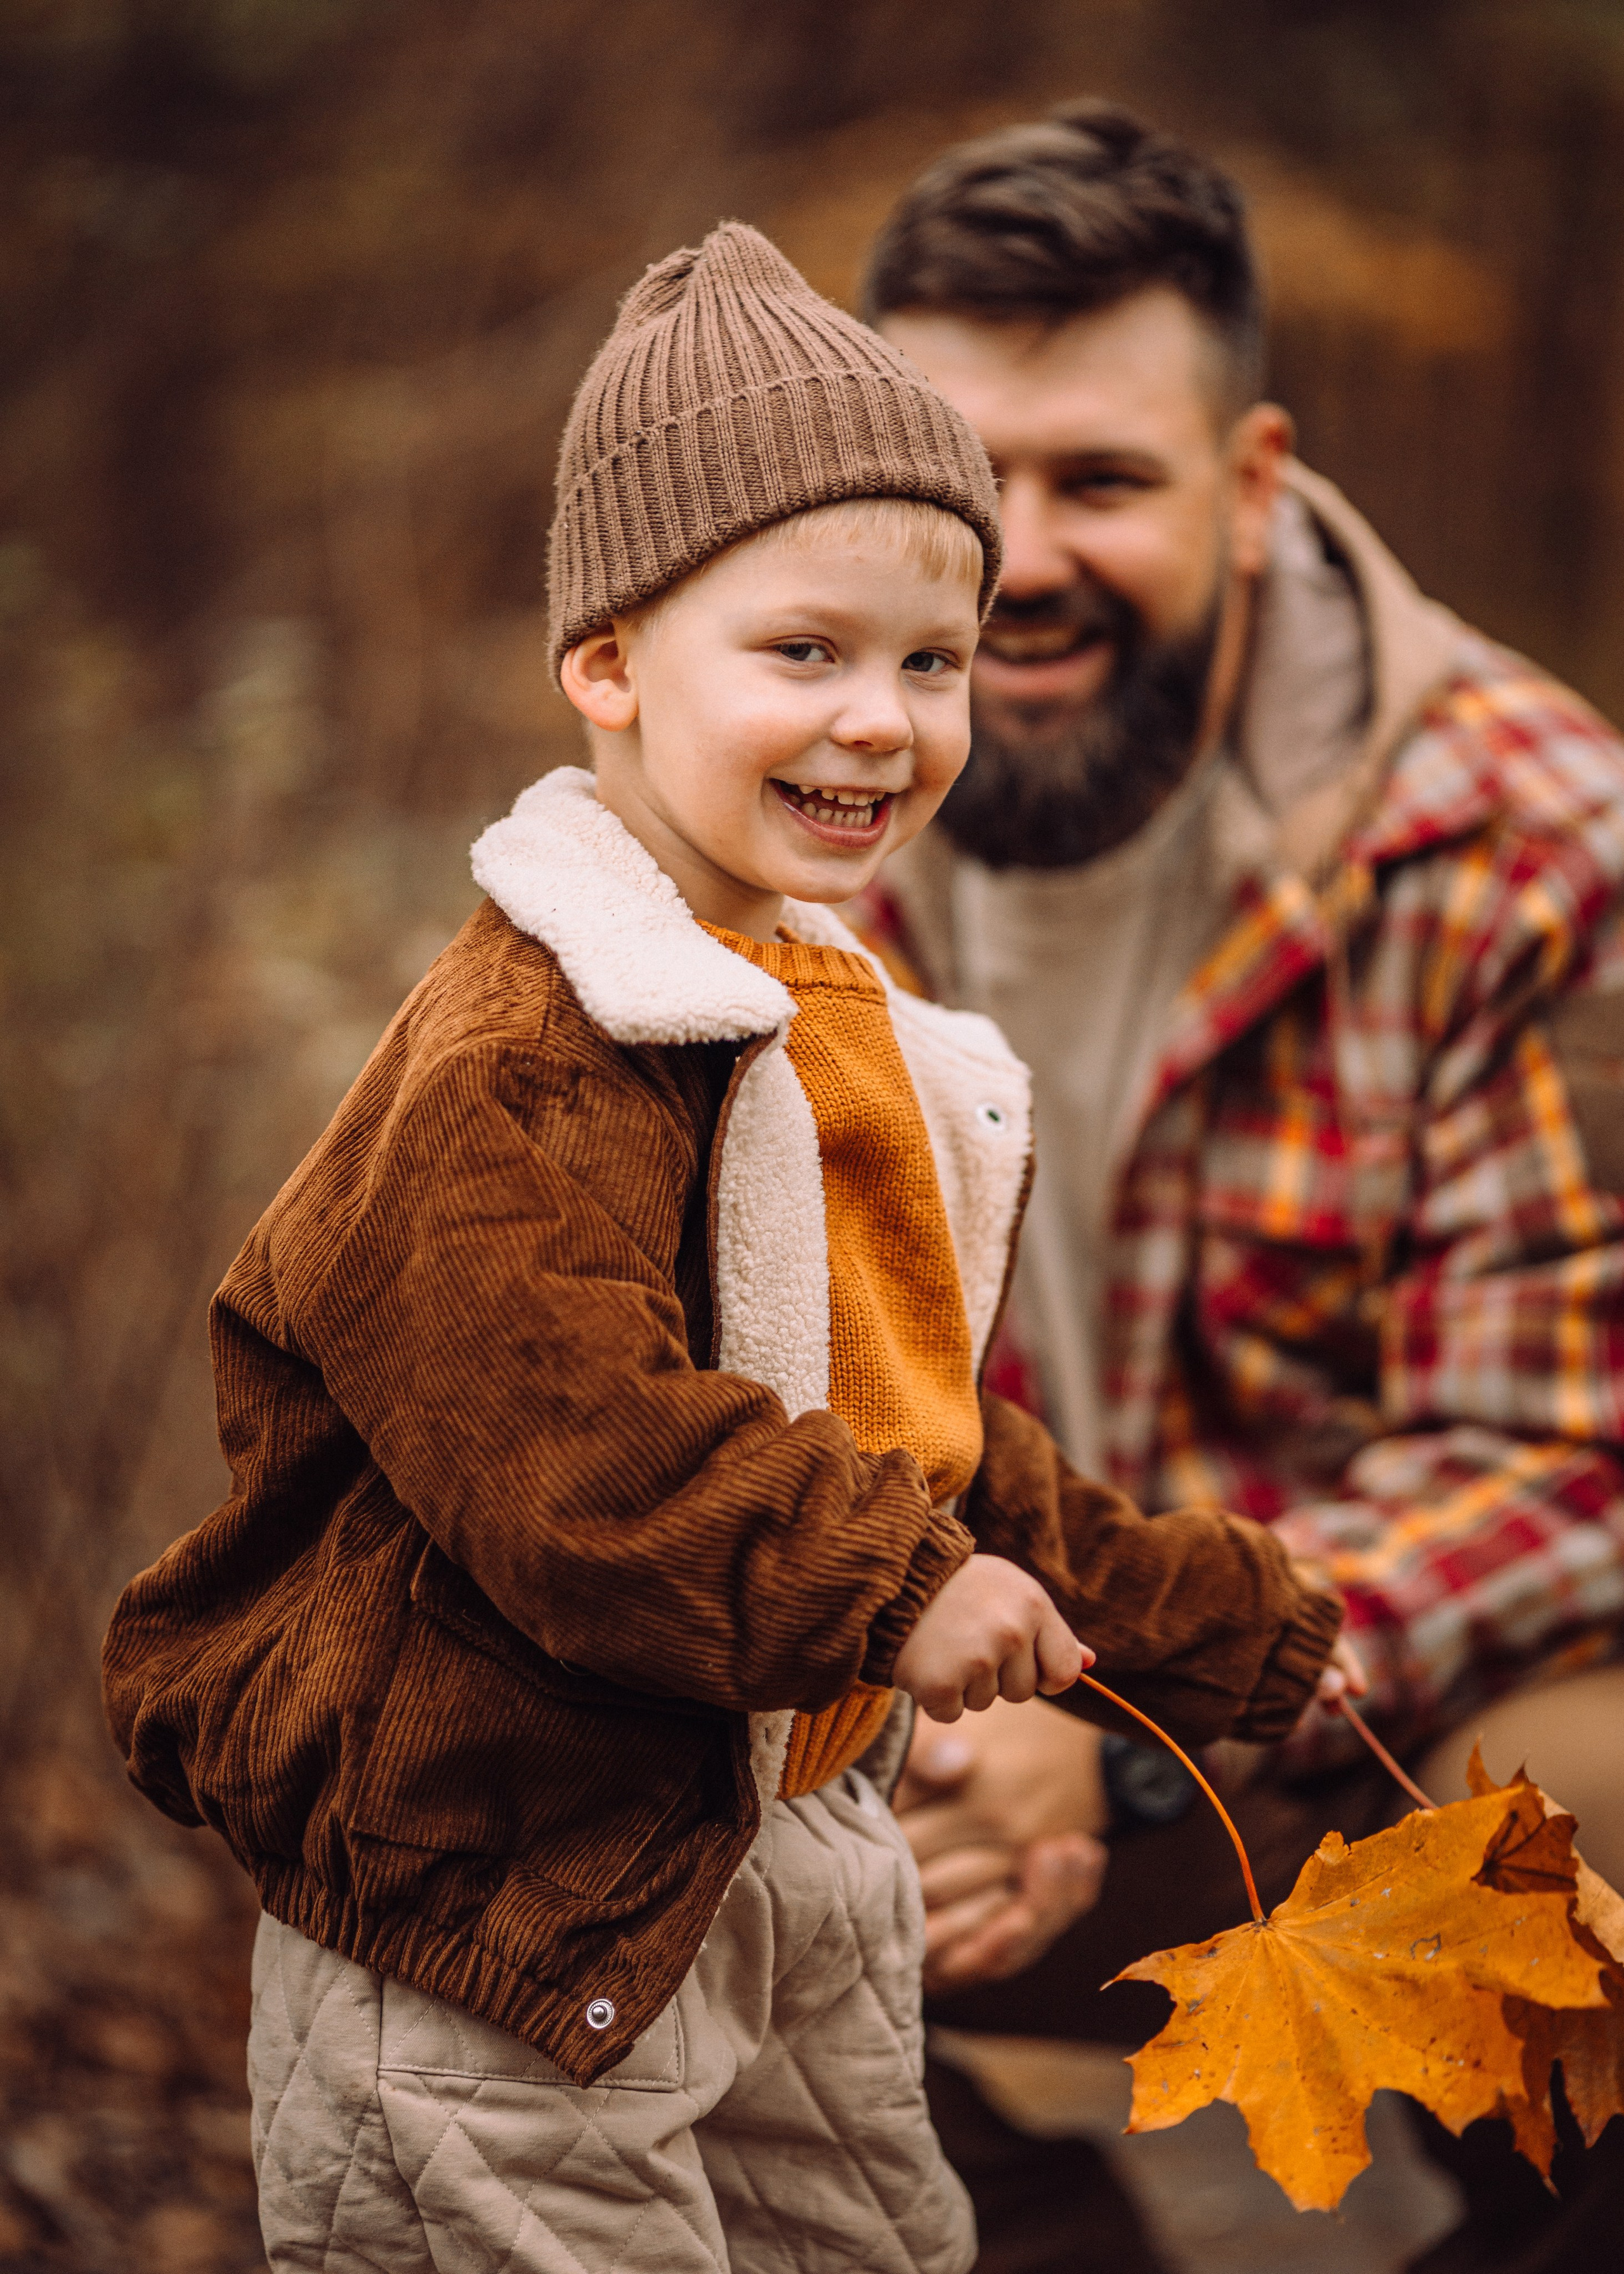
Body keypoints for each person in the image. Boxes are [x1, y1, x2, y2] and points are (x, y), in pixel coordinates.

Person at [101, 223, 1345, 2274]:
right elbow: (572, 1460)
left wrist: (1222, 1620)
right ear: (607, 665)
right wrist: (903, 1589)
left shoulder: (832, 1018)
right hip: (506, 1895)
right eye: (805, 653)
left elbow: (919, 1437)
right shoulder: (521, 1059)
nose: (883, 722)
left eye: (931, 663)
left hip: (780, 1842)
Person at [852, 102, 1624, 2274]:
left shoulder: (1528, 846)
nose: (1018, 555)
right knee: (486, 1820)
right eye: (956, 485)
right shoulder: (770, 832)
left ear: (1256, 482)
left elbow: (1568, 1460)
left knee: (1609, 1822)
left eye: (1099, 479)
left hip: (1367, 1719)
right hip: (933, 1707)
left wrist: (1109, 1728)